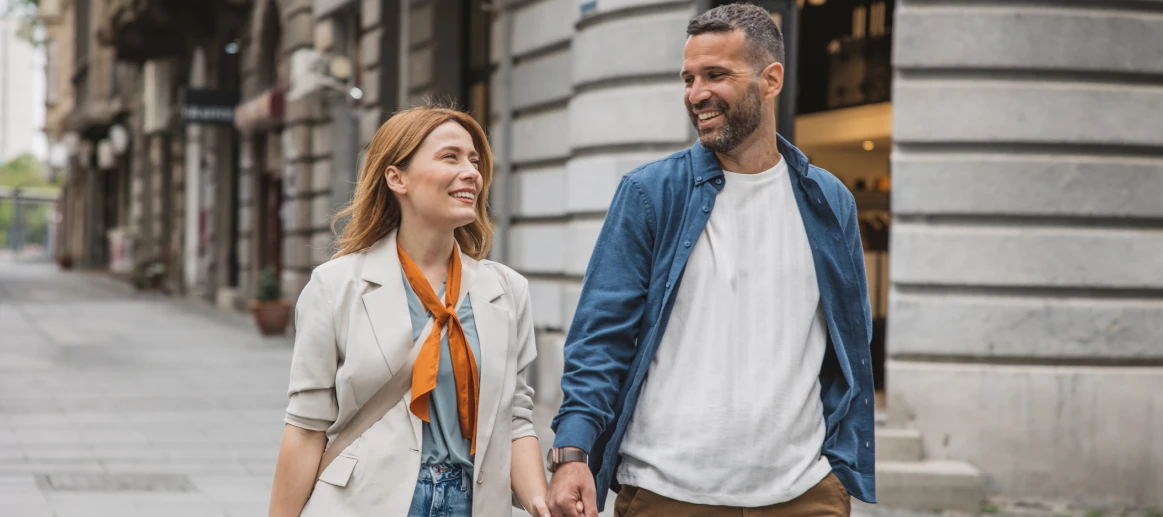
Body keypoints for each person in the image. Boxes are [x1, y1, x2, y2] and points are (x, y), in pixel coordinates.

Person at [545, 4, 876, 517]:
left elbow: (849, 343)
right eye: (688, 78)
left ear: (770, 80)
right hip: (667, 492)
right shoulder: (650, 194)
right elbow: (600, 339)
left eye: (716, 75)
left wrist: (838, 463)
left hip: (804, 493)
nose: (696, 94)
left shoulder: (829, 201)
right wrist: (572, 453)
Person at [267, 106, 551, 517]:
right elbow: (306, 428)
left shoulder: (507, 290)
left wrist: (540, 502)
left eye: (475, 161)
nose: (471, 172)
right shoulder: (336, 286)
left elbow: (516, 421)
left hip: (472, 503)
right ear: (396, 177)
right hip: (364, 502)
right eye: (450, 157)